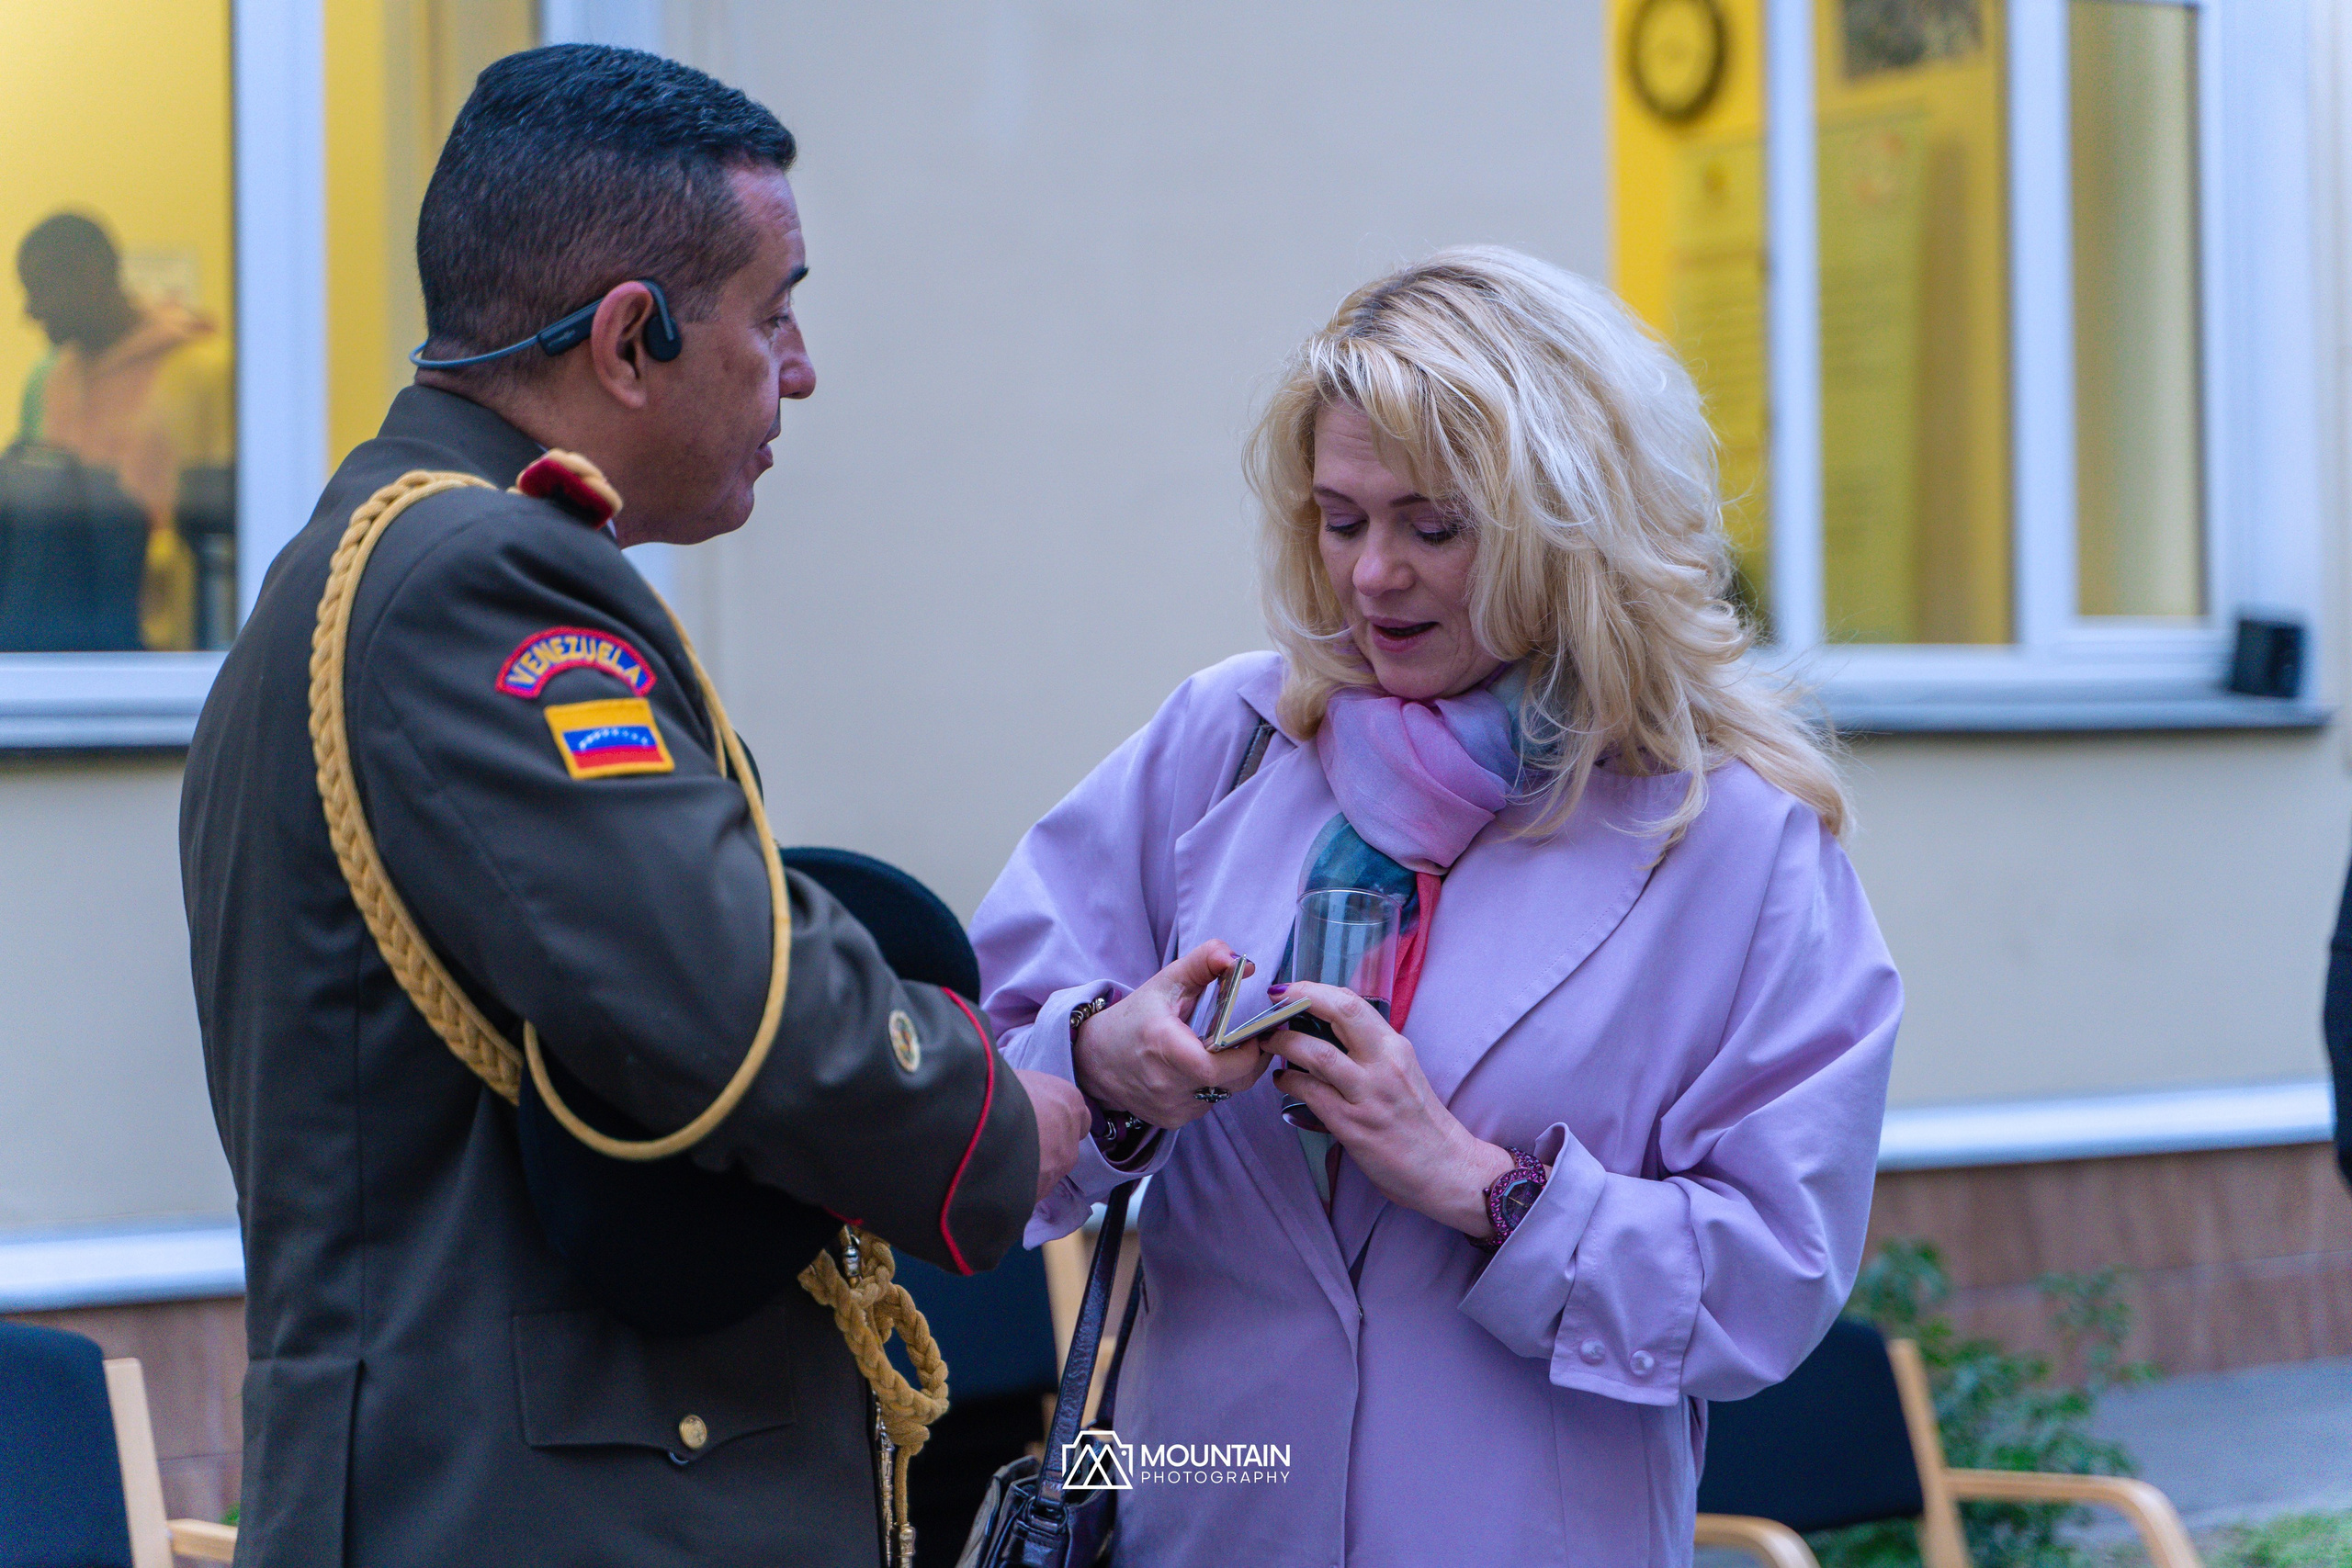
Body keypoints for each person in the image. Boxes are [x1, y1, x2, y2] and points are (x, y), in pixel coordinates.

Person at [180, 45, 1087, 1567]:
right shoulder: (480, 582)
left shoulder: (363, 565)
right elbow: (725, 997)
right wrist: (1016, 1117)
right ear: (627, 339)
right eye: (773, 311)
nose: (799, 368)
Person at [970, 247, 1903, 1566]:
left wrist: (1486, 1187)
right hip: (1210, 1506)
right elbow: (979, 1079)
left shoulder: (1735, 839)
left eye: (1434, 524)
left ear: (1571, 527)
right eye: (1340, 519)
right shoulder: (1223, 740)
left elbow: (1773, 1276)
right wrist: (1104, 1063)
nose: (1372, 576)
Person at [14, 211, 228, 649]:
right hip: (54, 631)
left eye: (40, 290)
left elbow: (219, 530)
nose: (30, 311)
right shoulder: (47, 379)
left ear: (91, 276)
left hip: (163, 640)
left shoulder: (202, 369)